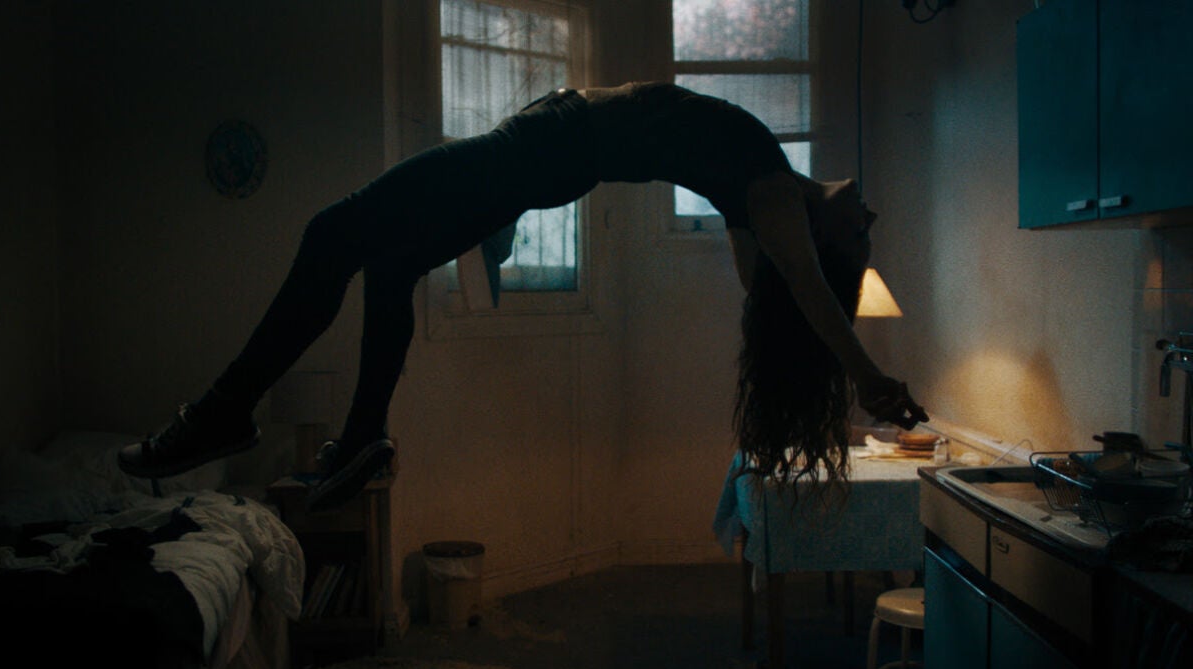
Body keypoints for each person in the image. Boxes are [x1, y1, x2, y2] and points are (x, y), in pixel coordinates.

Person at [118, 82, 928, 511]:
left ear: (822, 243)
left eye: (859, 238)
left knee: (332, 232)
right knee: (390, 267)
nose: (872, 220)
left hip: (532, 151)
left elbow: (804, 289)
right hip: (537, 160)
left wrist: (863, 373)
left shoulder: (775, 199)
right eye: (869, 233)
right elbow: (768, 286)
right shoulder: (763, 195)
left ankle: (225, 408)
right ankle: (364, 436)